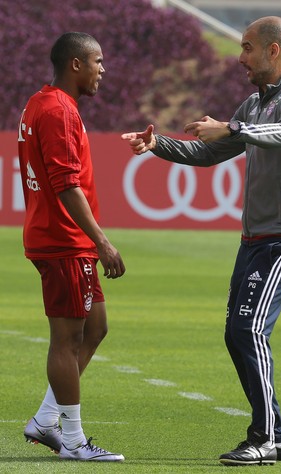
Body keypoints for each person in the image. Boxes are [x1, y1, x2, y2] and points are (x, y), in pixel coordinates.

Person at [122, 16, 281, 467]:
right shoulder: (254, 104)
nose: (241, 57)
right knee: (237, 334)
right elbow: (211, 153)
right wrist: (158, 146)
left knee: (248, 330)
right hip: (255, 240)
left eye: (248, 48)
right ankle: (278, 436)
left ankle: (265, 438)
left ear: (273, 51)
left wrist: (230, 129)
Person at [18, 32, 126, 462]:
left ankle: (45, 421)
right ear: (75, 64)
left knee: (95, 327)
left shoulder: (42, 103)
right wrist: (101, 241)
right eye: (98, 61)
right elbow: (66, 184)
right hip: (63, 239)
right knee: (67, 338)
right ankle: (75, 442)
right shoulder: (59, 110)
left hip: (67, 239)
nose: (103, 69)